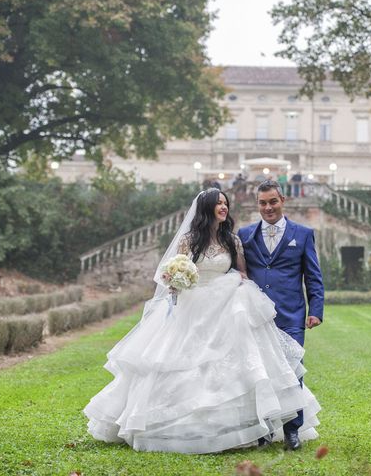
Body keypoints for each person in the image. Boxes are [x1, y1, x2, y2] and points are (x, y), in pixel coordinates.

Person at [83, 188, 320, 453]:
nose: (223, 207)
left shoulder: (232, 240)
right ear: (206, 208)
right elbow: (173, 271)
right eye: (218, 203)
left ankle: (269, 427)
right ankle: (182, 424)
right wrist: (175, 279)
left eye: (225, 203)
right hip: (193, 306)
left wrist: (243, 288)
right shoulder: (188, 240)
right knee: (185, 363)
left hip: (226, 304)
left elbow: (242, 273)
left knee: (237, 364)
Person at [237, 180, 324, 451]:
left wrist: (316, 311)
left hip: (291, 315)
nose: (268, 207)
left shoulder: (303, 234)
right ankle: (263, 430)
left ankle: (292, 431)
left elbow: (313, 276)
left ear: (282, 200)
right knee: (259, 373)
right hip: (257, 316)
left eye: (272, 201)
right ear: (258, 205)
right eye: (263, 203)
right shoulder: (245, 234)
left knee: (292, 372)